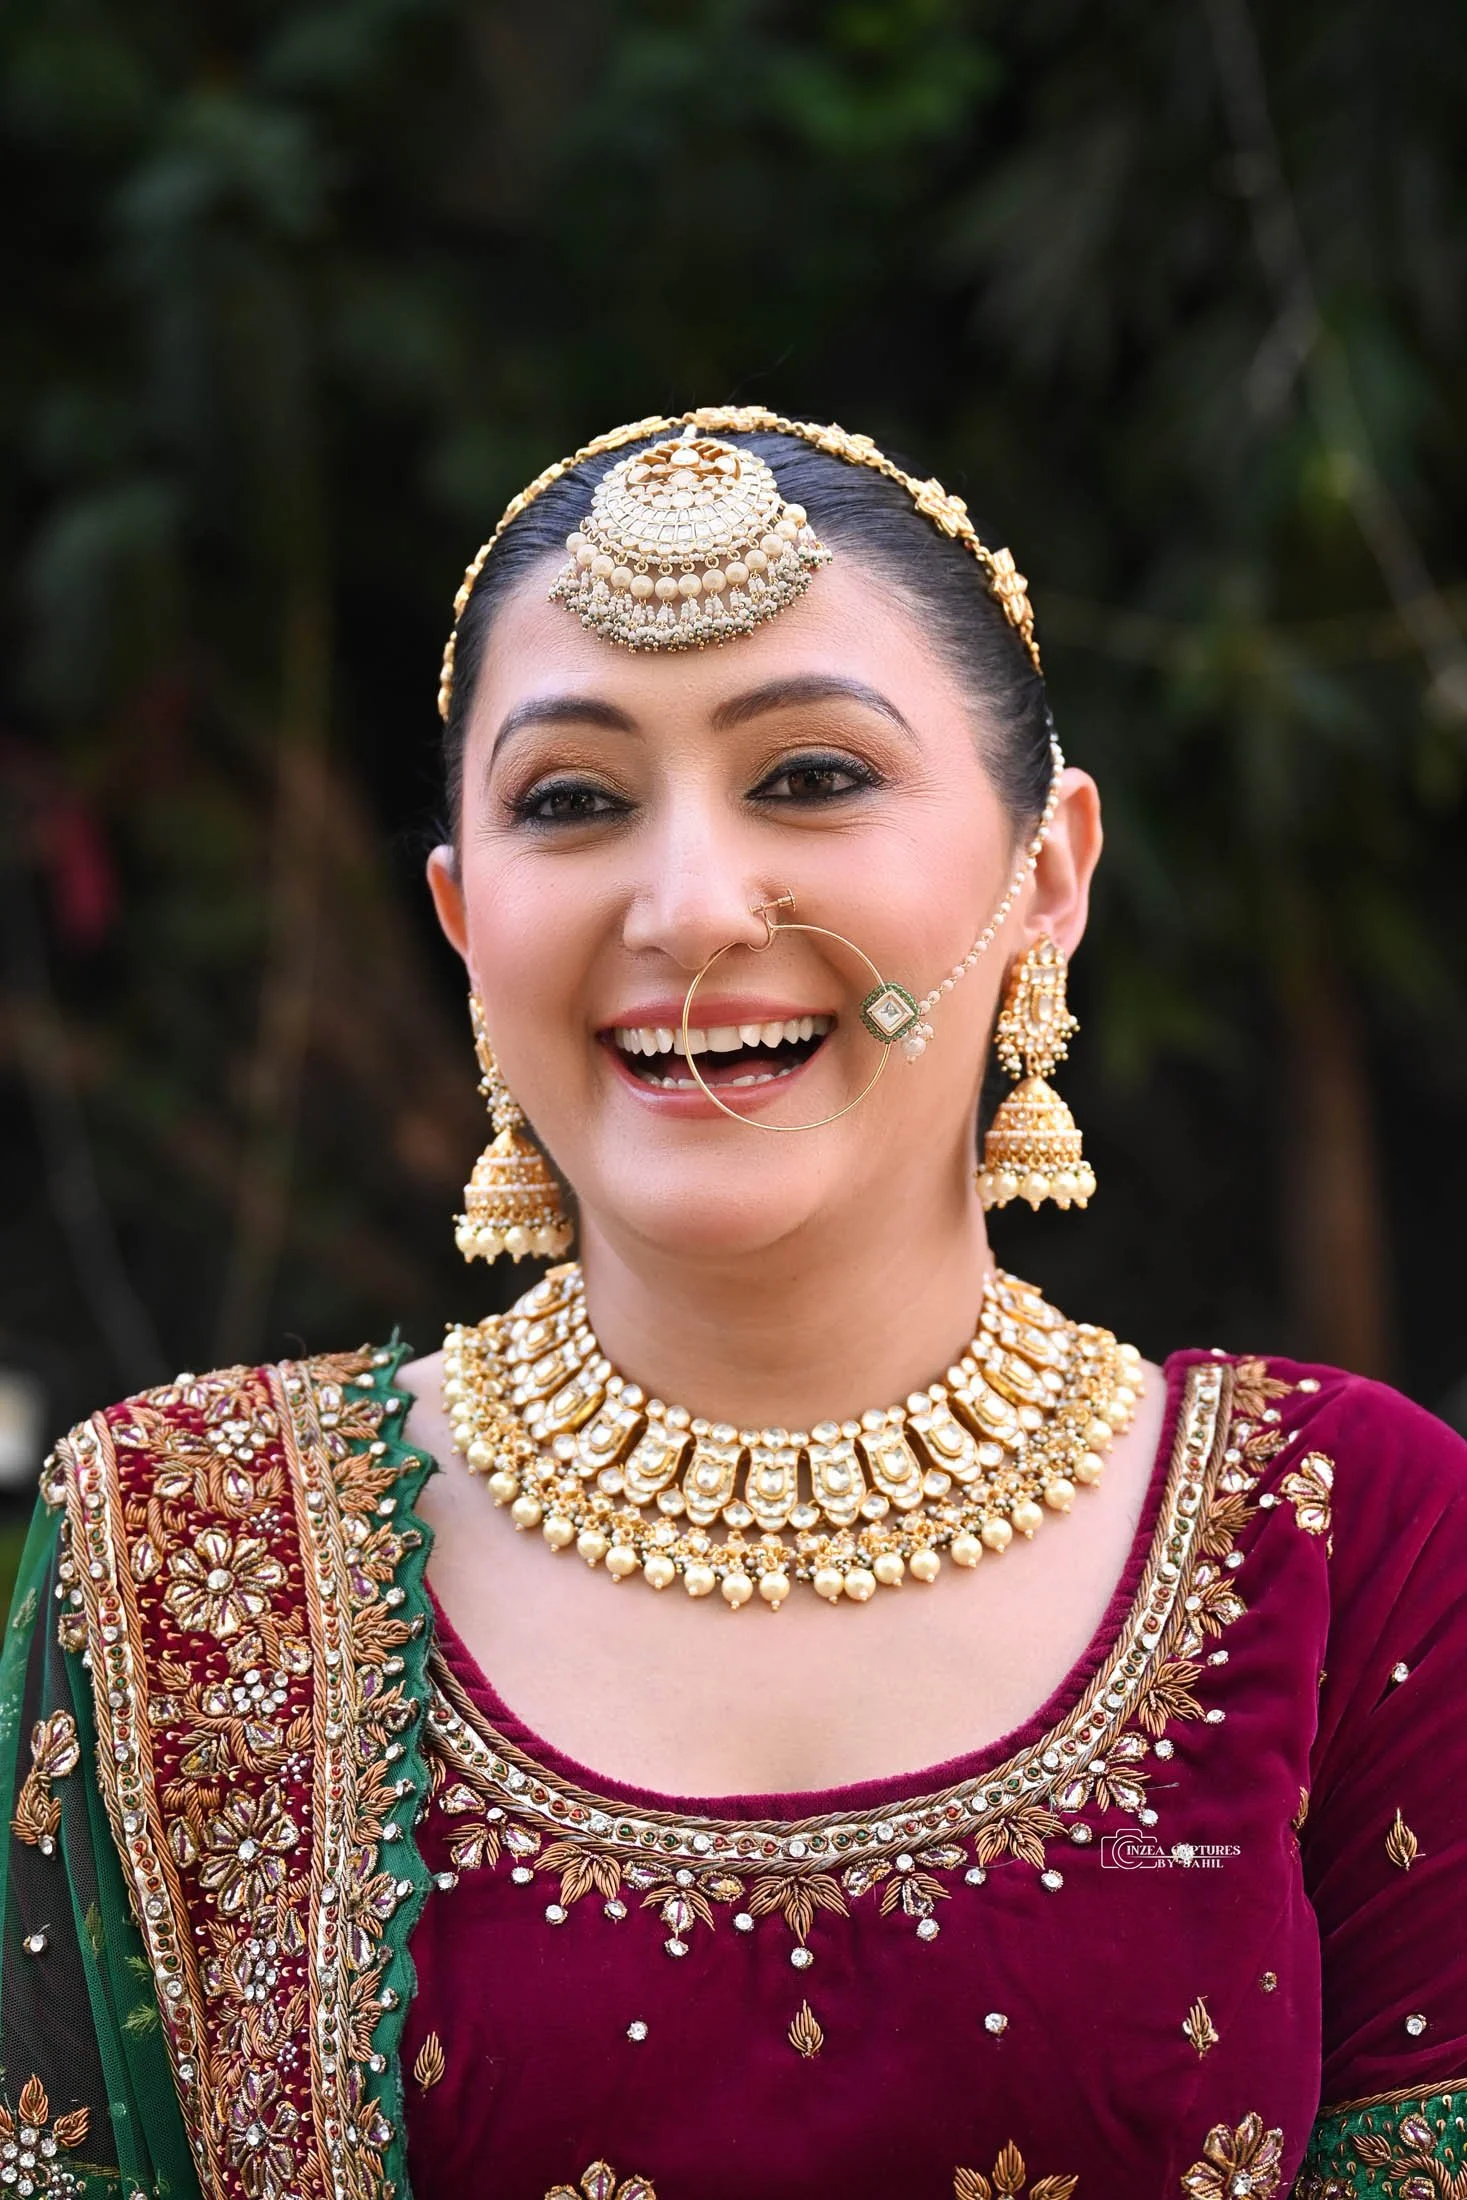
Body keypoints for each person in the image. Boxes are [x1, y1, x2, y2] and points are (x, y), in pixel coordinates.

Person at [1, 407, 1463, 2200]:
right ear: (464, 921)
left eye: (812, 776)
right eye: (573, 804)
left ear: (1048, 881)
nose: (689, 908)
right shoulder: (185, 1554)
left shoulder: (1345, 1535)